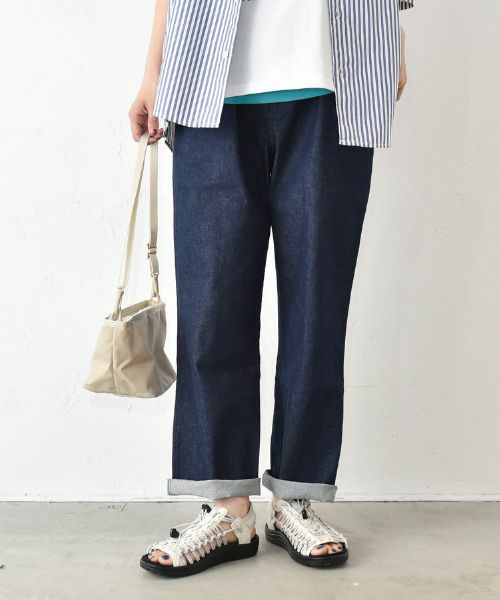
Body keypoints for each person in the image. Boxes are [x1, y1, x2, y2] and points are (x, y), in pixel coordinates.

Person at [129, 0, 413, 577]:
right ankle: (228, 509)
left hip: (337, 81)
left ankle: (296, 498)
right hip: (207, 81)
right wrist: (154, 67)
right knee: (211, 310)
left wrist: (396, 37)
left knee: (317, 309)